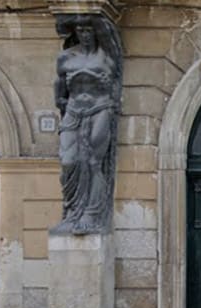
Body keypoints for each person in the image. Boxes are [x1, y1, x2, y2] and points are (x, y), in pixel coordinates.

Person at [52, 15, 122, 235]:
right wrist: (63, 102)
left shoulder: (107, 57)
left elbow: (114, 88)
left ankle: (92, 213)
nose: (84, 34)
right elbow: (59, 88)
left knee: (93, 161)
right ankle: (72, 211)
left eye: (88, 30)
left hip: (100, 109)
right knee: (68, 161)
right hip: (73, 111)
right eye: (80, 30)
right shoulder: (65, 58)